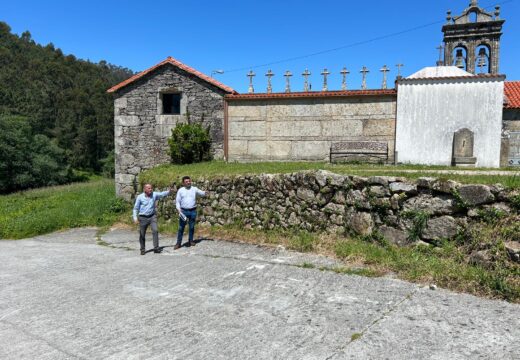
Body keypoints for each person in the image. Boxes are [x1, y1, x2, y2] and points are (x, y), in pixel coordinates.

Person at [133, 183, 171, 255]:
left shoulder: (154, 194)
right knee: (142, 234)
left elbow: (162, 194)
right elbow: (135, 208)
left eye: (151, 188)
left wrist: (169, 191)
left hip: (152, 216)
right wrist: (135, 218)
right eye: (149, 188)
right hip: (143, 217)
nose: (151, 189)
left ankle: (156, 248)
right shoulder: (140, 197)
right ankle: (142, 249)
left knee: (155, 230)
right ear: (145, 189)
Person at [175, 176, 207, 249]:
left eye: (189, 181)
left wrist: (205, 192)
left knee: (192, 227)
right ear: (183, 183)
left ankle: (191, 240)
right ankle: (178, 243)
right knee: (181, 228)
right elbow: (177, 202)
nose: (188, 182)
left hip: (193, 211)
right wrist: (179, 210)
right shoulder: (180, 190)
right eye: (186, 182)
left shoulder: (194, 189)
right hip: (183, 211)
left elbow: (201, 193)